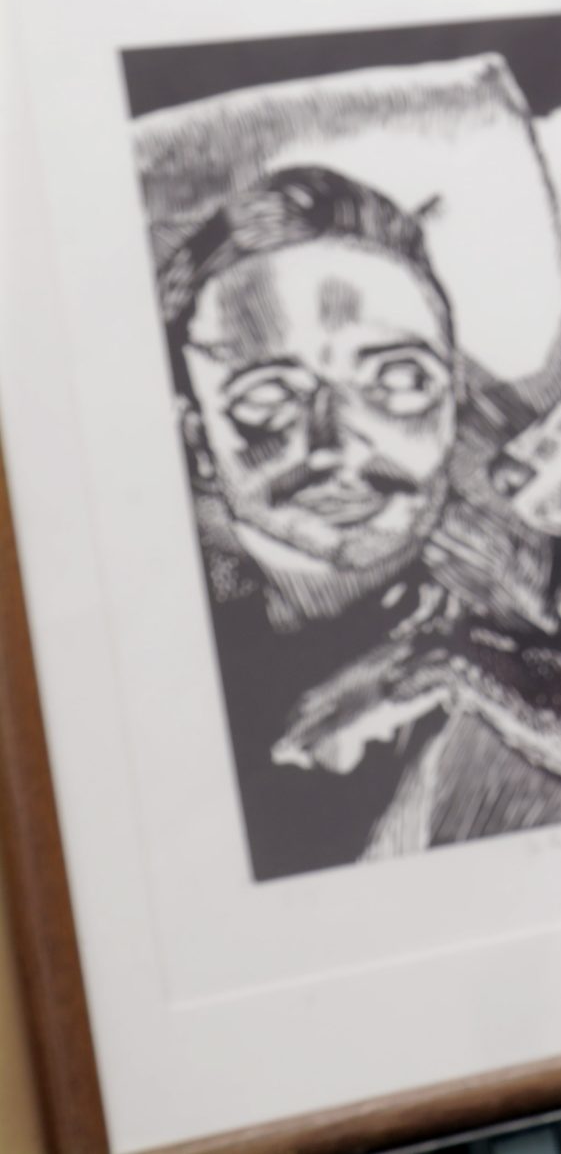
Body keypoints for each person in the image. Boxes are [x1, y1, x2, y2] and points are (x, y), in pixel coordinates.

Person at [159, 164, 463, 877]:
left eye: (399, 379)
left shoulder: (536, 626)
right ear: (200, 441)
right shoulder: (166, 680)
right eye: (269, 396)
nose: (338, 443)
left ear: (458, 402)